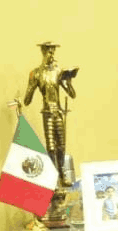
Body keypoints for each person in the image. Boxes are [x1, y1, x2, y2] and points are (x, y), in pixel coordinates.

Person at [22, 41, 78, 185]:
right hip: (47, 113)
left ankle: (62, 175)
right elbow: (27, 100)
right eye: (49, 51)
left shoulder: (58, 71)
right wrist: (31, 86)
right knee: (51, 147)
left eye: (53, 51)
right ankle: (54, 177)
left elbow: (72, 94)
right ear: (43, 52)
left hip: (58, 112)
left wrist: (68, 81)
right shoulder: (36, 73)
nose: (51, 54)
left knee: (61, 146)